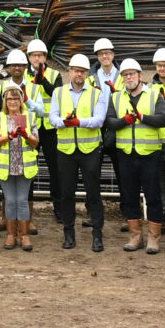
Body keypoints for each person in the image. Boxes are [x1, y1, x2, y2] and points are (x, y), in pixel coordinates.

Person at [48, 53, 109, 252]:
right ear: (70, 71)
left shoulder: (96, 93)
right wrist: (65, 122)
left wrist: (79, 122)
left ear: (86, 74)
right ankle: (68, 233)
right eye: (75, 70)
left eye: (82, 71)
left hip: (89, 149)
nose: (78, 74)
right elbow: (52, 118)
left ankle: (97, 235)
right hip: (66, 150)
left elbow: (99, 120)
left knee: (93, 194)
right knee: (67, 194)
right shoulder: (58, 92)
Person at [111, 59, 165, 255]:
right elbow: (109, 122)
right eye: (125, 75)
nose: (129, 78)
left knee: (153, 196)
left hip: (150, 154)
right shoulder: (117, 98)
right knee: (130, 196)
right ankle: (135, 236)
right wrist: (123, 121)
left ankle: (154, 238)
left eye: (132, 74)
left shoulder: (153, 95)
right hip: (126, 154)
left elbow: (163, 119)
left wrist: (142, 117)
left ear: (140, 75)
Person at [0, 77, 38, 251]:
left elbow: (35, 142)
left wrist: (26, 135)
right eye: (9, 99)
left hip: (24, 165)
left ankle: (24, 236)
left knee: (22, 200)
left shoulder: (30, 116)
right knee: (10, 201)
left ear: (21, 99)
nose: (13, 102)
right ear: (5, 101)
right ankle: (11, 235)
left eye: (16, 98)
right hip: (6, 166)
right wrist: (9, 136)